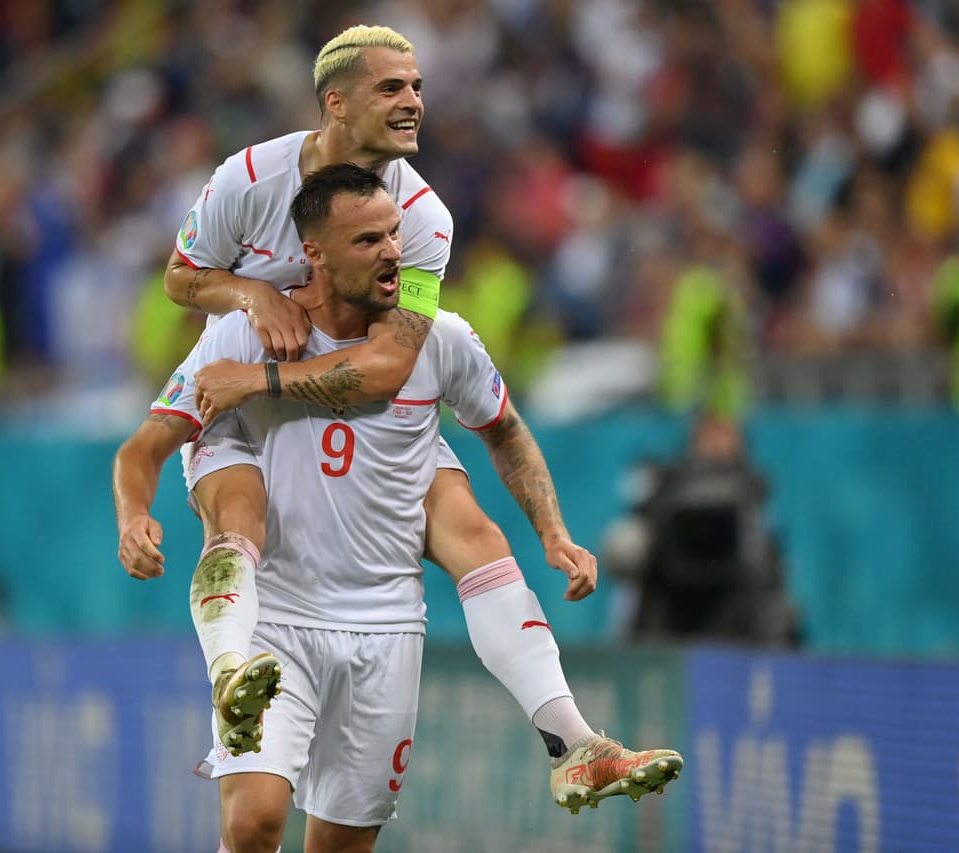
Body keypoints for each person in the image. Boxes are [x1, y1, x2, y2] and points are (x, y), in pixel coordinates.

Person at [120, 23, 674, 807]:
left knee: (471, 529)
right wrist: (252, 294)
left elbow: (388, 364)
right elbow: (182, 279)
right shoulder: (249, 179)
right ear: (335, 103)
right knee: (238, 514)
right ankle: (232, 671)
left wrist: (265, 375)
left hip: (313, 392)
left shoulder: (426, 222)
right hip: (243, 408)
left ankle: (574, 741)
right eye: (393, 88)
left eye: (417, 86)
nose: (414, 101)